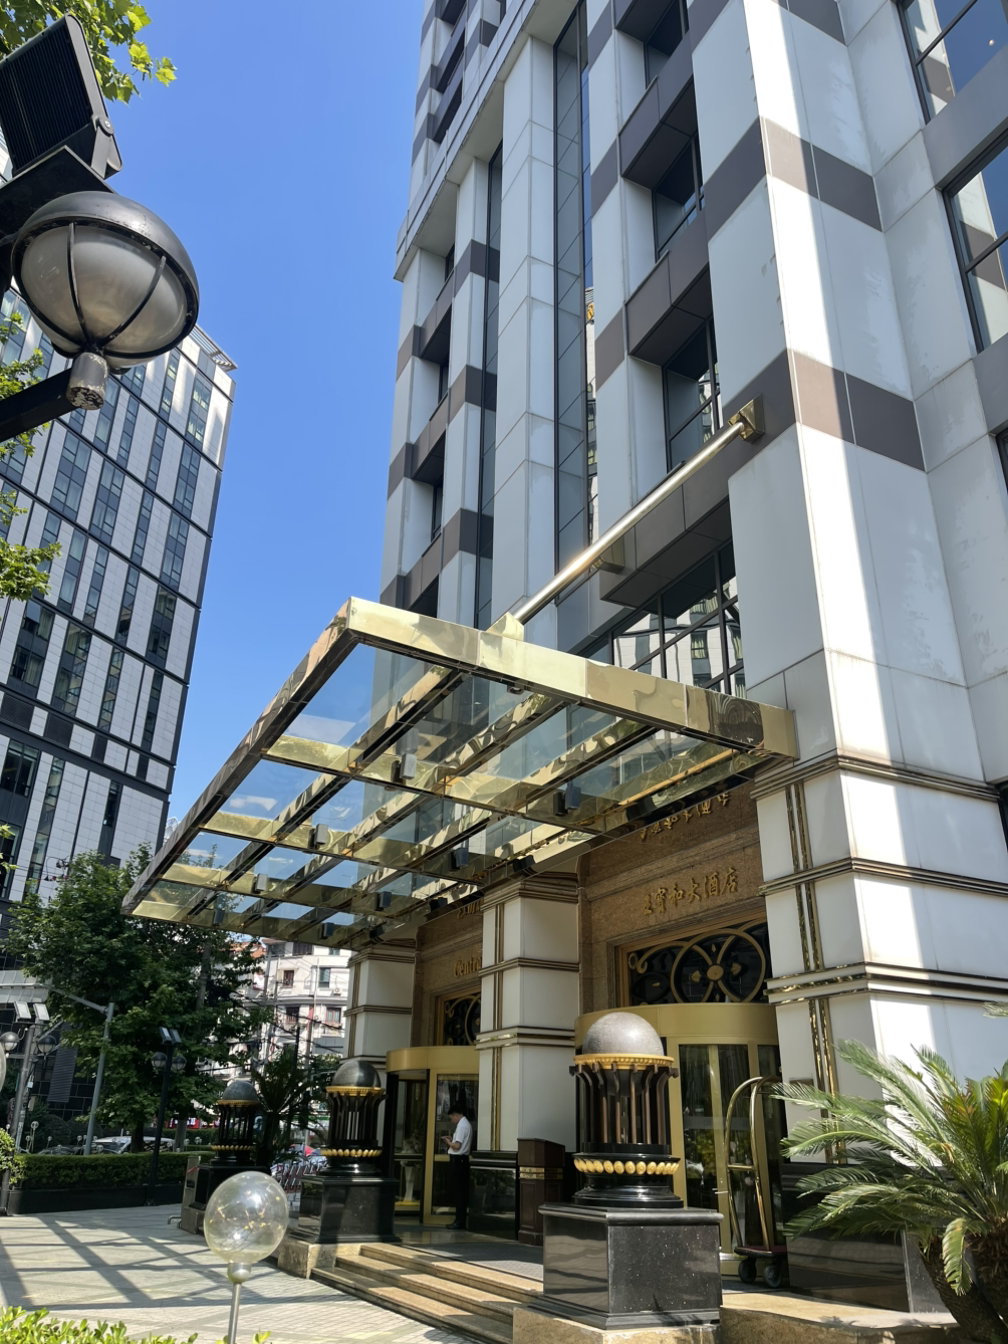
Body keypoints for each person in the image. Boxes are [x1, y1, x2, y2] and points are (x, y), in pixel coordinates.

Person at [441, 1106, 472, 1229]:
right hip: (462, 1160)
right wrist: (452, 1140)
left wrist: (449, 1143)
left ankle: (459, 1221)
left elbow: (457, 1146)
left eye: (451, 1118)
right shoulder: (466, 1124)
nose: (452, 1121)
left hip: (458, 1161)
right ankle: (460, 1220)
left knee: (458, 1192)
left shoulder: (461, 1125)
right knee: (461, 1192)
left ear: (455, 1115)